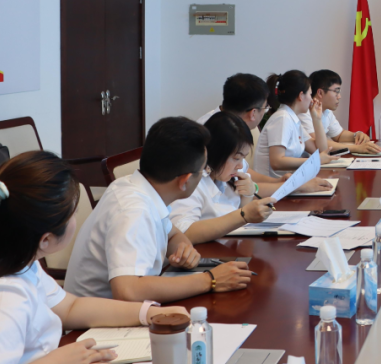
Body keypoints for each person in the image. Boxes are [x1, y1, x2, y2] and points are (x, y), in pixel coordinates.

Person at [0, 151, 189, 364]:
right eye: (73, 212)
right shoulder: (2, 299)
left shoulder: (21, 263)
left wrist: (148, 314)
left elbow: (70, 307)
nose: (77, 218)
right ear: (46, 240)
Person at [65, 117, 254, 302]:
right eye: (203, 170)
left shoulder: (138, 187)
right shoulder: (134, 211)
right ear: (185, 180)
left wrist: (184, 249)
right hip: (99, 318)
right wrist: (210, 280)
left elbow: (173, 234)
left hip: (127, 306)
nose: (205, 174)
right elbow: (127, 291)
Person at [171, 112, 325, 243]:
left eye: (243, 158)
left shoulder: (228, 173)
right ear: (216, 152)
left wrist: (248, 196)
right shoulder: (192, 182)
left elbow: (239, 210)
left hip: (232, 246)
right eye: (236, 158)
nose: (240, 165)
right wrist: (243, 215)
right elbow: (184, 232)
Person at [197, 73, 335, 194]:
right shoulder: (213, 130)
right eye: (265, 107)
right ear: (253, 113)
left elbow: (244, 171)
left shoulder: (235, 125)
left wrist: (279, 182)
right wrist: (294, 185)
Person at [254, 70, 331, 178]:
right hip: (274, 184)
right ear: (301, 95)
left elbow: (320, 150)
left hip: (288, 181)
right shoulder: (282, 118)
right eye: (310, 94)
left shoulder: (292, 119)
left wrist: (316, 119)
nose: (312, 99)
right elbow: (276, 162)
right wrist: (314, 160)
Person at [304, 70, 381, 154]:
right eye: (336, 91)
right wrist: (356, 148)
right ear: (320, 93)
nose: (339, 96)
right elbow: (317, 143)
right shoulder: (304, 113)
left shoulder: (326, 111)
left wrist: (356, 135)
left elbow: (339, 135)